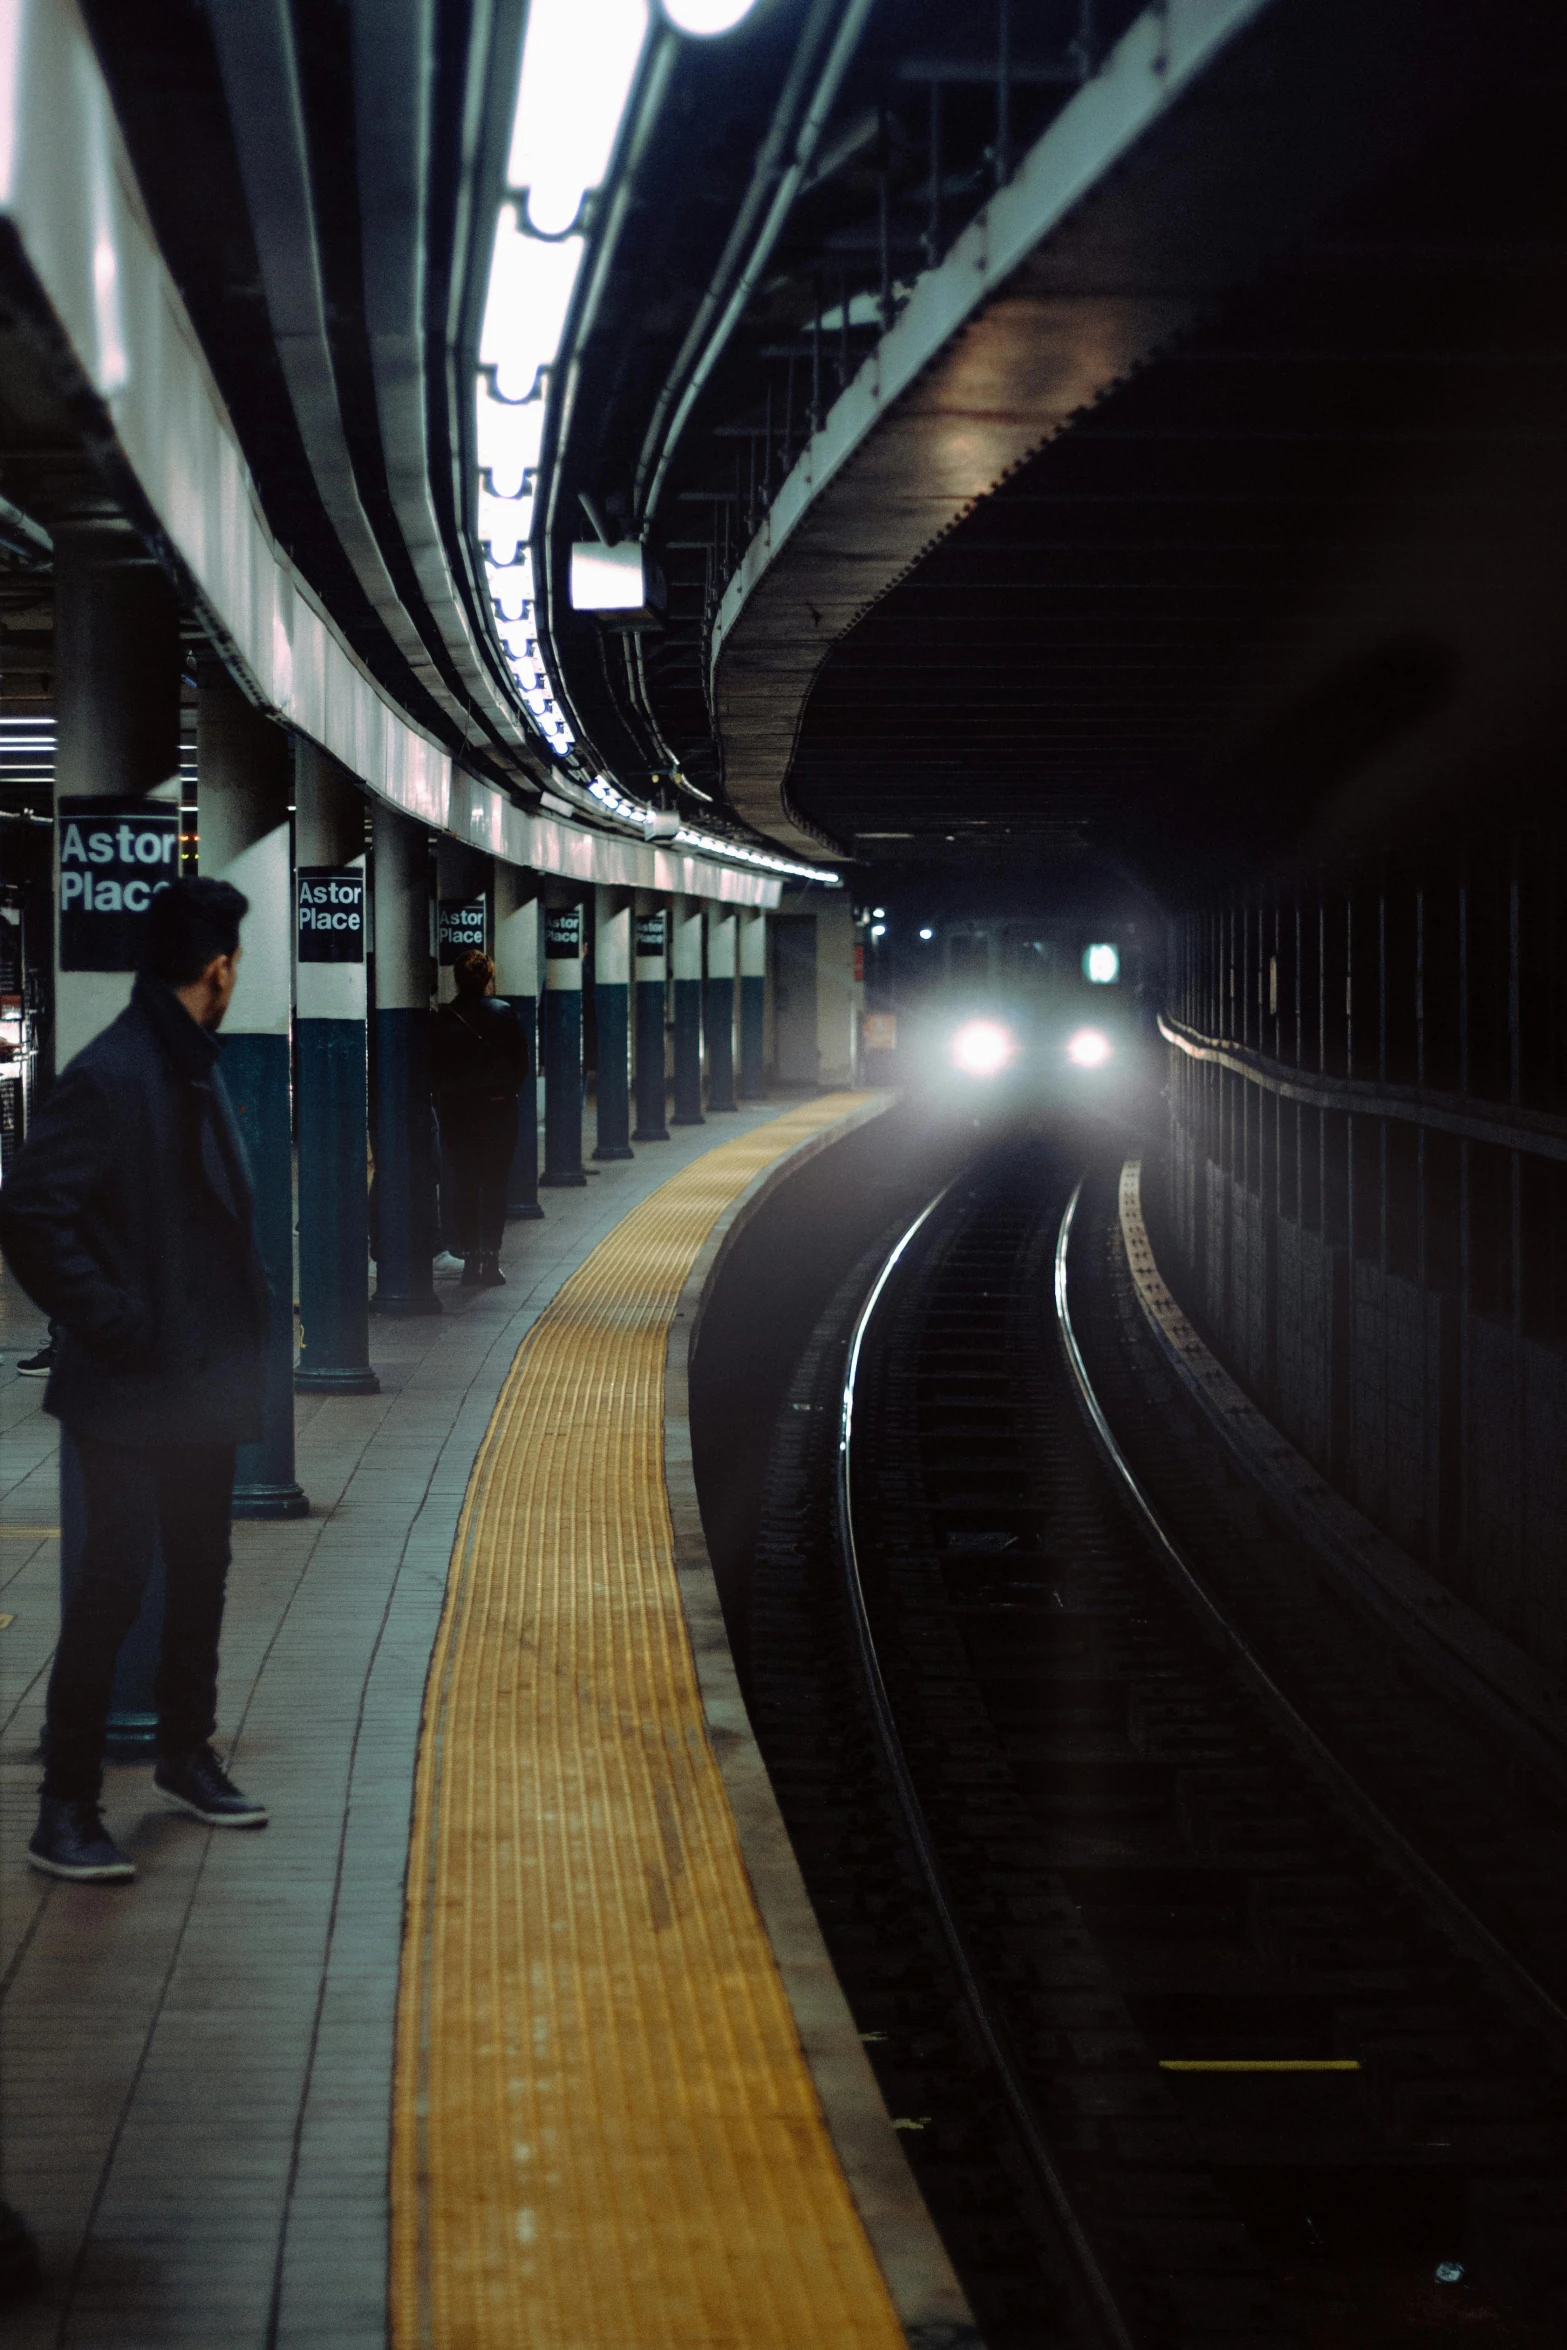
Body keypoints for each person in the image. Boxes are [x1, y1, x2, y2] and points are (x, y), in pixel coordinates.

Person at [0, 877, 270, 1882]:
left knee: (201, 1570)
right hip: (128, 1385)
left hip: (192, 1381)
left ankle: (184, 1754)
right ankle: (64, 1808)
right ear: (217, 970)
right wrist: (113, 1319)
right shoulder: (117, 1073)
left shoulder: (184, 1064)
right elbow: (31, 1209)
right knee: (113, 1587)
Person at [431, 948, 527, 1288]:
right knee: (496, 1185)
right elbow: (521, 1065)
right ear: (488, 977)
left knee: (465, 1184)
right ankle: (492, 1260)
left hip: (459, 1112)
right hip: (499, 1110)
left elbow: (435, 1069)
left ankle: (470, 1261)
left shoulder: (445, 1017)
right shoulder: (504, 1012)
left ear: (456, 978)